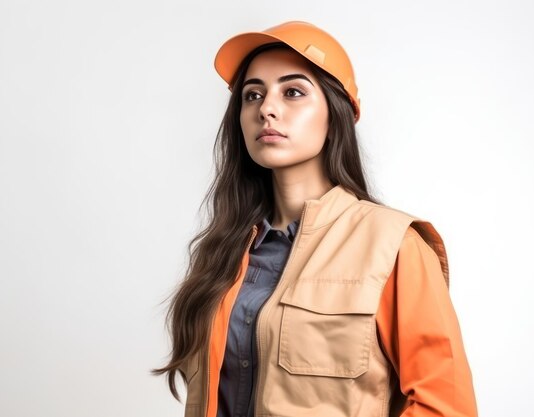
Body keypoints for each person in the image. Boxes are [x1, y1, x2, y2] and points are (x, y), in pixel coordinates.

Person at [152, 20, 478, 417]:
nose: (266, 109)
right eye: (252, 95)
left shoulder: (394, 246)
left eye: (292, 92)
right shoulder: (221, 255)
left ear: (335, 113)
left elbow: (445, 407)